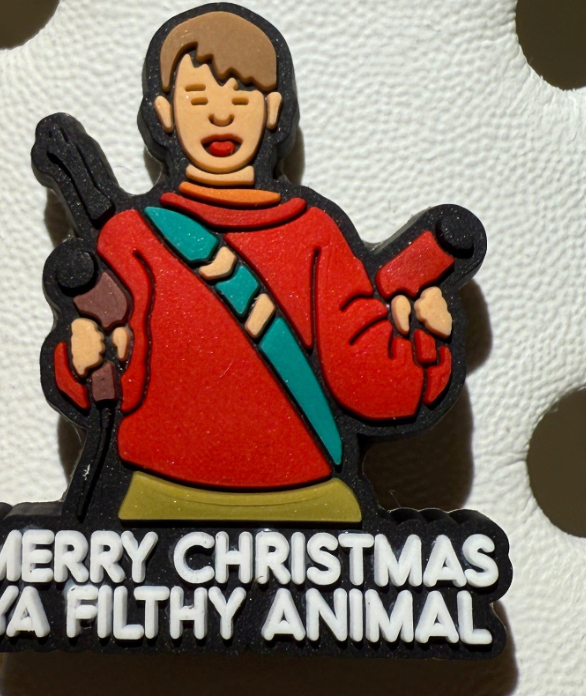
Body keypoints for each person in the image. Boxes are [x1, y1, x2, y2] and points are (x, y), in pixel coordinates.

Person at [32, 6, 485, 522]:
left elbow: (367, 382)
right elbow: (108, 382)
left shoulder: (314, 234)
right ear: (164, 112)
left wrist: (421, 338)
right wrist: (83, 357)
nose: (220, 116)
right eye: (198, 98)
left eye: (241, 96)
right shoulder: (131, 238)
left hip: (306, 507)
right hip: (156, 501)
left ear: (272, 111)